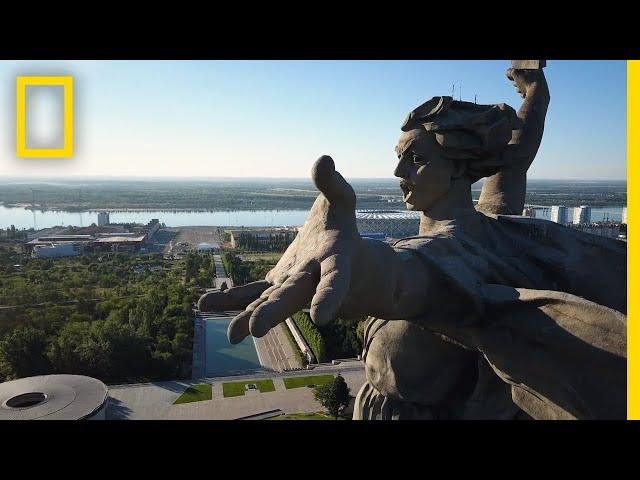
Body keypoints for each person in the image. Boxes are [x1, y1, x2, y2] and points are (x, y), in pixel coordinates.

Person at [198, 66, 626, 419]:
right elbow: (516, 155)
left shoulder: (453, 251)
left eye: (417, 160)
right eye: (400, 156)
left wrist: (360, 267)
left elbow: (410, 278)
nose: (399, 172)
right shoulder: (495, 220)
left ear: (460, 171)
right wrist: (536, 93)